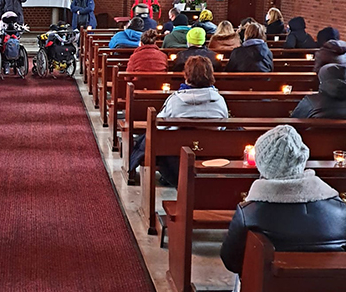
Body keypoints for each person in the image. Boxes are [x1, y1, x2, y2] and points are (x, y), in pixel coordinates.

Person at [220, 125, 346, 276]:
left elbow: (231, 261)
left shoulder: (249, 213)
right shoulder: (340, 210)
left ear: (262, 163)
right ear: (302, 158)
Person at [129, 56, 228, 176]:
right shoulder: (219, 100)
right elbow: (223, 126)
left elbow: (160, 126)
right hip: (210, 153)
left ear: (186, 75)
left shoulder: (175, 99)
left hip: (176, 157)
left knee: (147, 139)